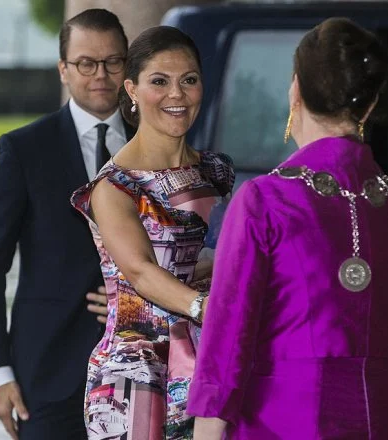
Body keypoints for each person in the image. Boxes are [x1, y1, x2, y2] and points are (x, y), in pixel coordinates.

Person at [187, 17, 388, 440]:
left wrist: (206, 431)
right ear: (368, 106)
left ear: (295, 90)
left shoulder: (266, 201)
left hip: (284, 422)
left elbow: (227, 344)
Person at [0, 9, 135, 440]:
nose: (100, 74)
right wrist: (0, 373)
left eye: (113, 61)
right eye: (85, 63)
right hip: (45, 375)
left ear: (127, 67)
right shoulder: (22, 151)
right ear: (63, 69)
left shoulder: (154, 146)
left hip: (140, 369)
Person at [70, 26, 234, 440]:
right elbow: (141, 271)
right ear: (132, 90)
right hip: (136, 372)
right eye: (159, 81)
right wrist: (208, 308)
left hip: (215, 357)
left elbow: (220, 253)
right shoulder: (115, 186)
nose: (176, 95)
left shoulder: (216, 172)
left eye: (189, 80)